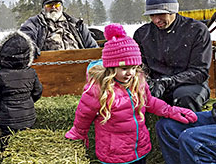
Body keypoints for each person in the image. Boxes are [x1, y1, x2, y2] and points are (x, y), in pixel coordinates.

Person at [65, 23, 197, 164]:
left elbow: (149, 102)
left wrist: (170, 111)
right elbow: (84, 114)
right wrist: (78, 133)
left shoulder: (138, 81)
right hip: (114, 154)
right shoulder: (99, 89)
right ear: (110, 67)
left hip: (140, 148)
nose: (131, 73)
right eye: (124, 68)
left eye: (134, 67)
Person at [133, 0, 212, 112]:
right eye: (152, 15)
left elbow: (199, 71)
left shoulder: (197, 31)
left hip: (190, 84)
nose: (156, 20)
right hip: (156, 84)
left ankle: (187, 130)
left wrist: (168, 82)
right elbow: (140, 66)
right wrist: (146, 81)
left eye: (160, 14)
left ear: (173, 10)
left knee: (184, 97)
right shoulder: (142, 34)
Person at [0, 31, 43, 151]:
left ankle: (5, 154)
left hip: (8, 117)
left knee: (7, 140)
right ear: (28, 55)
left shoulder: (1, 75)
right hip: (28, 116)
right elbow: (38, 91)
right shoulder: (31, 72)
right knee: (27, 139)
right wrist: (29, 102)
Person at [20, 0, 98, 53]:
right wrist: (31, 47)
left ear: (61, 6)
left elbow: (93, 48)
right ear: (44, 8)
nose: (53, 7)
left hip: (80, 66)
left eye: (57, 5)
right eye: (49, 5)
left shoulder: (76, 24)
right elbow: (24, 39)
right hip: (47, 68)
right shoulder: (35, 23)